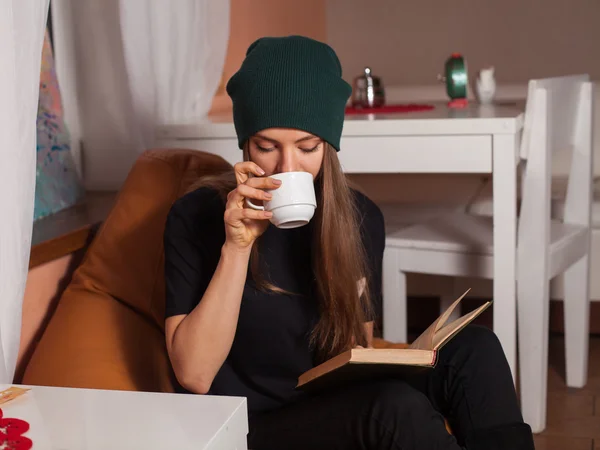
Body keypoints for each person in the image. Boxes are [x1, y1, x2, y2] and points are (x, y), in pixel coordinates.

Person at [163, 35, 534, 450]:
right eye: (266, 147)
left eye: (308, 147)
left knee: (476, 349)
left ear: (329, 145)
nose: (287, 167)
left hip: (328, 403)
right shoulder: (195, 216)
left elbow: (357, 353)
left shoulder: (359, 218)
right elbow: (193, 375)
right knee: (392, 408)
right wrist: (237, 247)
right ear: (245, 144)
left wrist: (373, 333)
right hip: (249, 425)